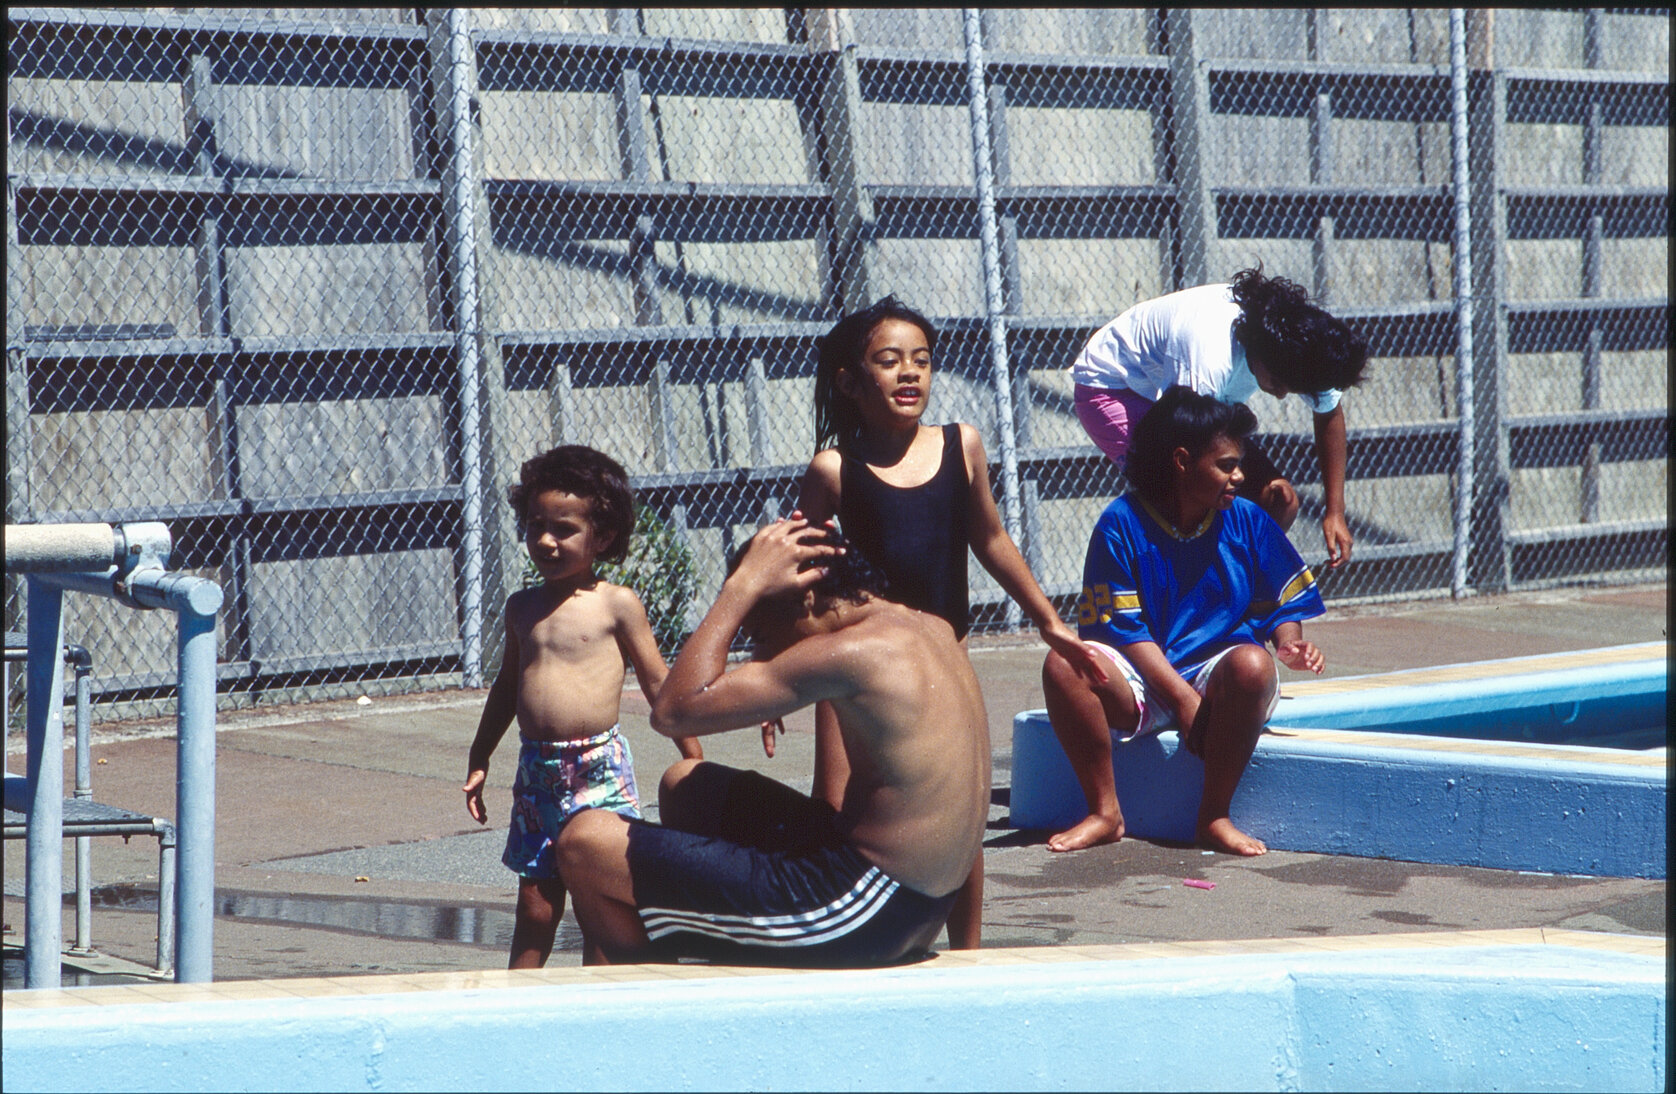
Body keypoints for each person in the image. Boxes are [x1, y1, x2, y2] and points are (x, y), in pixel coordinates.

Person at [792, 295, 1108, 949]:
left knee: (959, 817)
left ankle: (968, 955)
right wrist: (784, 673)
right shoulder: (833, 469)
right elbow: (804, 579)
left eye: (922, 361)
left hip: (946, 661)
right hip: (855, 668)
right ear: (850, 381)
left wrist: (1048, 620)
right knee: (839, 809)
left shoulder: (961, 446)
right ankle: (851, 943)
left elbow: (990, 539)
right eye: (889, 361)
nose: (910, 374)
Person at [555, 517, 991, 967]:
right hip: (915, 904)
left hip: (859, 912)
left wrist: (740, 589)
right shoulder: (928, 628)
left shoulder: (852, 654)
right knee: (687, 785)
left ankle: (638, 1009)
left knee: (584, 843)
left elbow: (672, 711)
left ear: (806, 597)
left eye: (759, 636)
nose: (759, 658)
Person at [1042, 386, 1327, 857]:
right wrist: (1182, 700)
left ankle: (1213, 816)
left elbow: (1278, 601)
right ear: (1181, 460)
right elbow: (1124, 632)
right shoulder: (1121, 523)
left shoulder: (1248, 520)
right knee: (1063, 664)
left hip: (1218, 672)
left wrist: (1289, 642)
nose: (1238, 476)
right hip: (1145, 673)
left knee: (1254, 666)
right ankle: (1105, 812)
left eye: (1239, 464)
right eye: (1225, 465)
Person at [462, 444, 701, 968]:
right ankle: (518, 1007)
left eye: (563, 529)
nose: (545, 541)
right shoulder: (522, 607)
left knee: (601, 903)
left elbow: (659, 684)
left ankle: (598, 1006)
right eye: (534, 526)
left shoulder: (616, 604)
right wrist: (480, 757)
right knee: (536, 905)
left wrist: (693, 757)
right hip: (537, 770)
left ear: (604, 536)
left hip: (598, 768)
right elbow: (506, 687)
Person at [1071, 266, 1369, 568]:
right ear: (1263, 351)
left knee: (1280, 501)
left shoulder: (1303, 342)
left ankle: (1241, 597)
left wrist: (1335, 512)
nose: (1280, 395)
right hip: (1114, 388)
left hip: (1186, 400)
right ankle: (1183, 596)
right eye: (1278, 384)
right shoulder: (1209, 349)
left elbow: (1329, 414)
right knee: (1182, 503)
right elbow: (1182, 447)